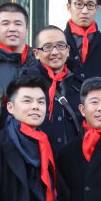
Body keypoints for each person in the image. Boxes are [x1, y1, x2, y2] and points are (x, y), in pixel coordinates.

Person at [30, 25, 82, 154]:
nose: (55, 52)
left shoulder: (80, 85)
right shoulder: (26, 85)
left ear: (68, 50)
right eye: (47, 47)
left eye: (60, 46)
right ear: (36, 53)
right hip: (39, 160)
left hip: (75, 161)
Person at [0, 2, 38, 93]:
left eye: (18, 24)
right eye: (5, 24)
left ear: (27, 30)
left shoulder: (38, 60)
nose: (12, 29)